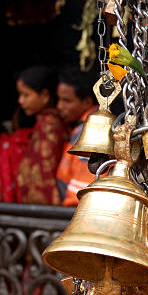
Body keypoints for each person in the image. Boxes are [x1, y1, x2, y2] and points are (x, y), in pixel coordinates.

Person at [0, 66, 67, 205]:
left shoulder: (49, 125)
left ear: (44, 96)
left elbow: (44, 176)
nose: (21, 101)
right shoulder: (45, 123)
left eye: (26, 95)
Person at [56, 69, 97, 206]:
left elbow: (81, 191)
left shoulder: (92, 131)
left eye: (67, 101)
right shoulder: (80, 127)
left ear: (86, 102)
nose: (59, 106)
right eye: (59, 99)